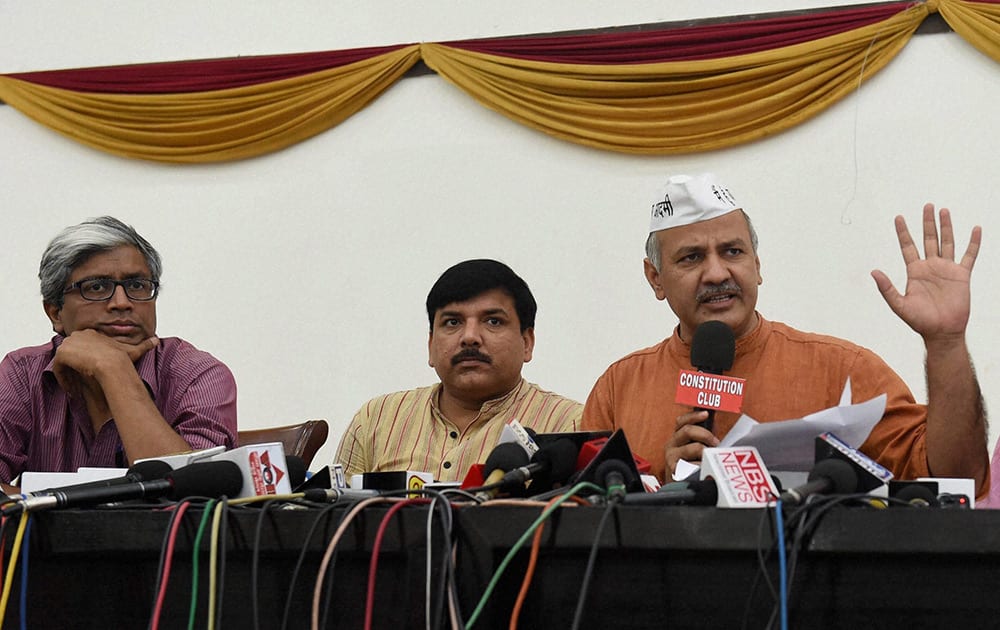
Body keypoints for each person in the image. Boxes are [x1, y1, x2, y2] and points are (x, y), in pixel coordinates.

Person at [582, 173, 988, 495]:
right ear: (655, 279)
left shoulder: (842, 369)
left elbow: (956, 476)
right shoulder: (619, 389)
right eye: (691, 258)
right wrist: (666, 493)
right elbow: (583, 514)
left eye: (732, 252)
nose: (717, 273)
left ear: (757, 265)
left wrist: (946, 344)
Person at [0, 216, 237, 493]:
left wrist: (115, 371)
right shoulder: (22, 373)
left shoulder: (199, 375)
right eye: (97, 287)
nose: (122, 303)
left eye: (137, 285)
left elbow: (194, 501)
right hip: (43, 538)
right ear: (55, 313)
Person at [335, 259, 582, 482]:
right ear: (431, 346)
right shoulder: (375, 420)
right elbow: (334, 522)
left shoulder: (569, 425)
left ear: (527, 342)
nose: (470, 337)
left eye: (493, 321)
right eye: (453, 322)